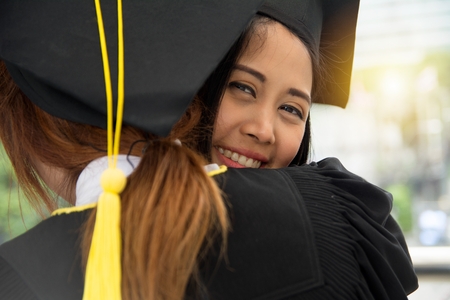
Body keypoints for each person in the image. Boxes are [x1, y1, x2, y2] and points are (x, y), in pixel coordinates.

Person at [0, 1, 418, 300]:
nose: (262, 129)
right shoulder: (338, 222)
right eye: (242, 87)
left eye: (292, 109)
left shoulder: (18, 275)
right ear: (192, 92)